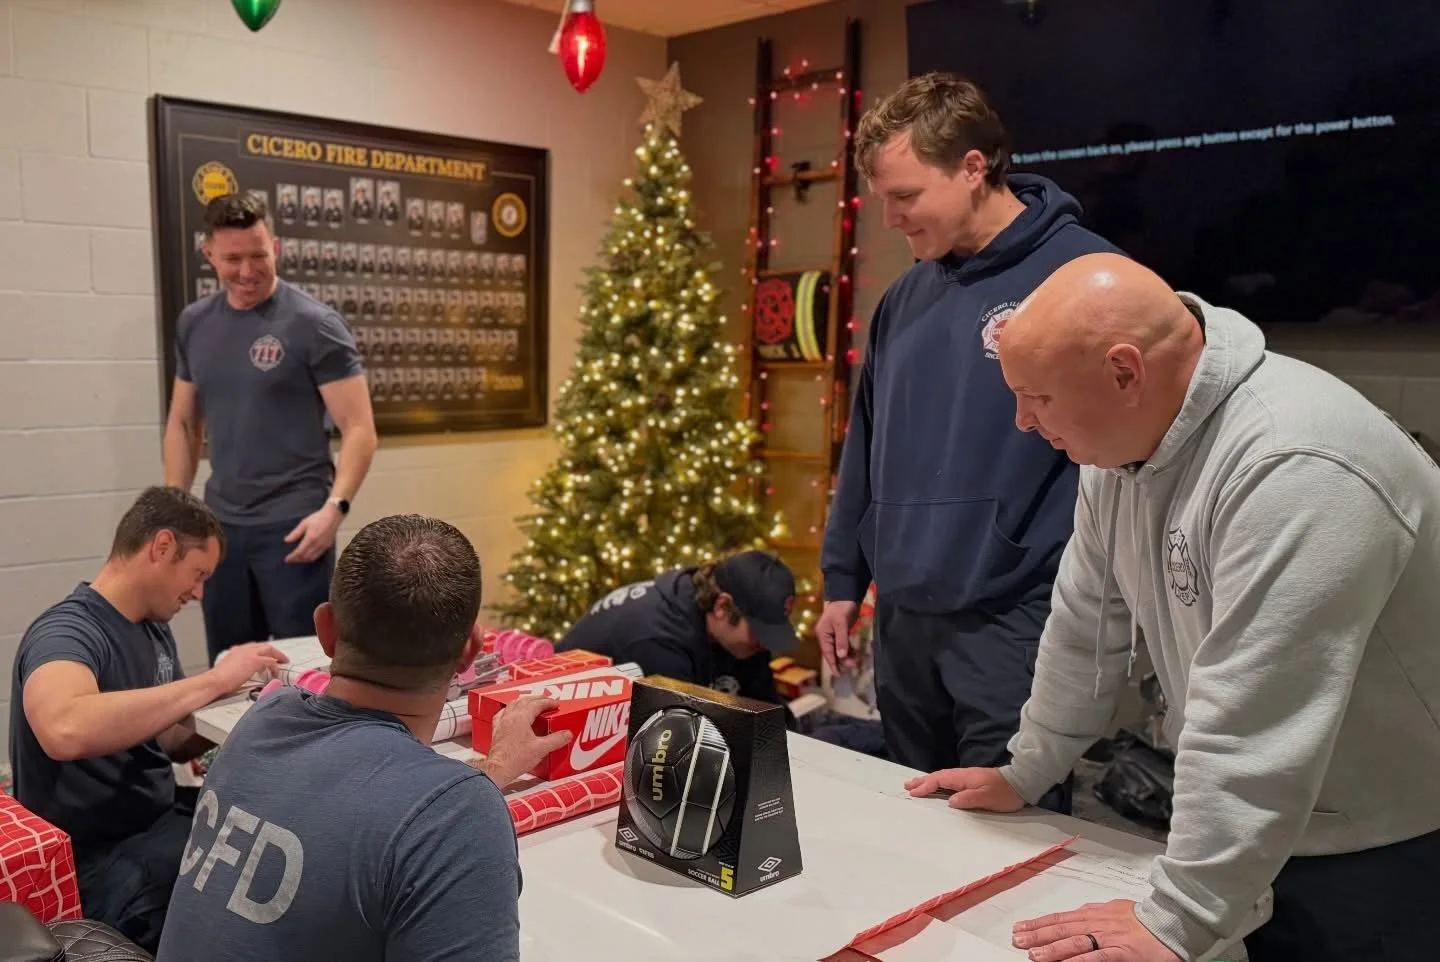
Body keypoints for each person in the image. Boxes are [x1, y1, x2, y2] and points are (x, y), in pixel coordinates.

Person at [906, 253, 1440, 962]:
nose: (1023, 422)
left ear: (1125, 372)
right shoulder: (1118, 453)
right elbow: (1082, 630)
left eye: (1038, 397)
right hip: (1260, 818)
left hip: (1380, 838)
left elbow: (1254, 713)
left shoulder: (1297, 464)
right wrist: (1026, 771)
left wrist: (1179, 916)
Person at [817, 72, 1123, 811]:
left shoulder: (1087, 278)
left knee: (1011, 835)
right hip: (904, 621)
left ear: (973, 167)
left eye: (905, 195)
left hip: (1016, 616)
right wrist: (841, 582)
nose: (890, 218)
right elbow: (865, 445)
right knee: (914, 818)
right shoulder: (903, 298)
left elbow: (1128, 451)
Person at [157, 515, 568, 961]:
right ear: (471, 651)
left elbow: (364, 804)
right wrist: (475, 789)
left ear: (325, 630)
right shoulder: (458, 818)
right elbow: (404, 811)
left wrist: (488, 772)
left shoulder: (265, 718)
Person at [8, 486, 289, 951]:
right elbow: (64, 728)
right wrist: (213, 681)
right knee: (245, 902)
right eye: (198, 574)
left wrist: (250, 705)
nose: (198, 593)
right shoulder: (67, 631)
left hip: (157, 820)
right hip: (97, 855)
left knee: (276, 845)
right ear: (161, 547)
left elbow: (169, 741)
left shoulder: (154, 630)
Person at [164, 192, 378, 664]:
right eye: (232, 259)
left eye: (258, 255)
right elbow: (182, 423)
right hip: (221, 530)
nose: (247, 271)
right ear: (209, 254)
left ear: (275, 247)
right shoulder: (194, 324)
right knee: (231, 669)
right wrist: (178, 513)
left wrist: (334, 509)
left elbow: (360, 428)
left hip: (296, 529)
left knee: (306, 671)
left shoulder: (316, 325)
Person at [555, 550, 798, 706]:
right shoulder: (657, 643)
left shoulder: (739, 640)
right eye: (760, 630)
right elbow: (683, 736)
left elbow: (765, 708)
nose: (764, 644)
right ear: (722, 606)